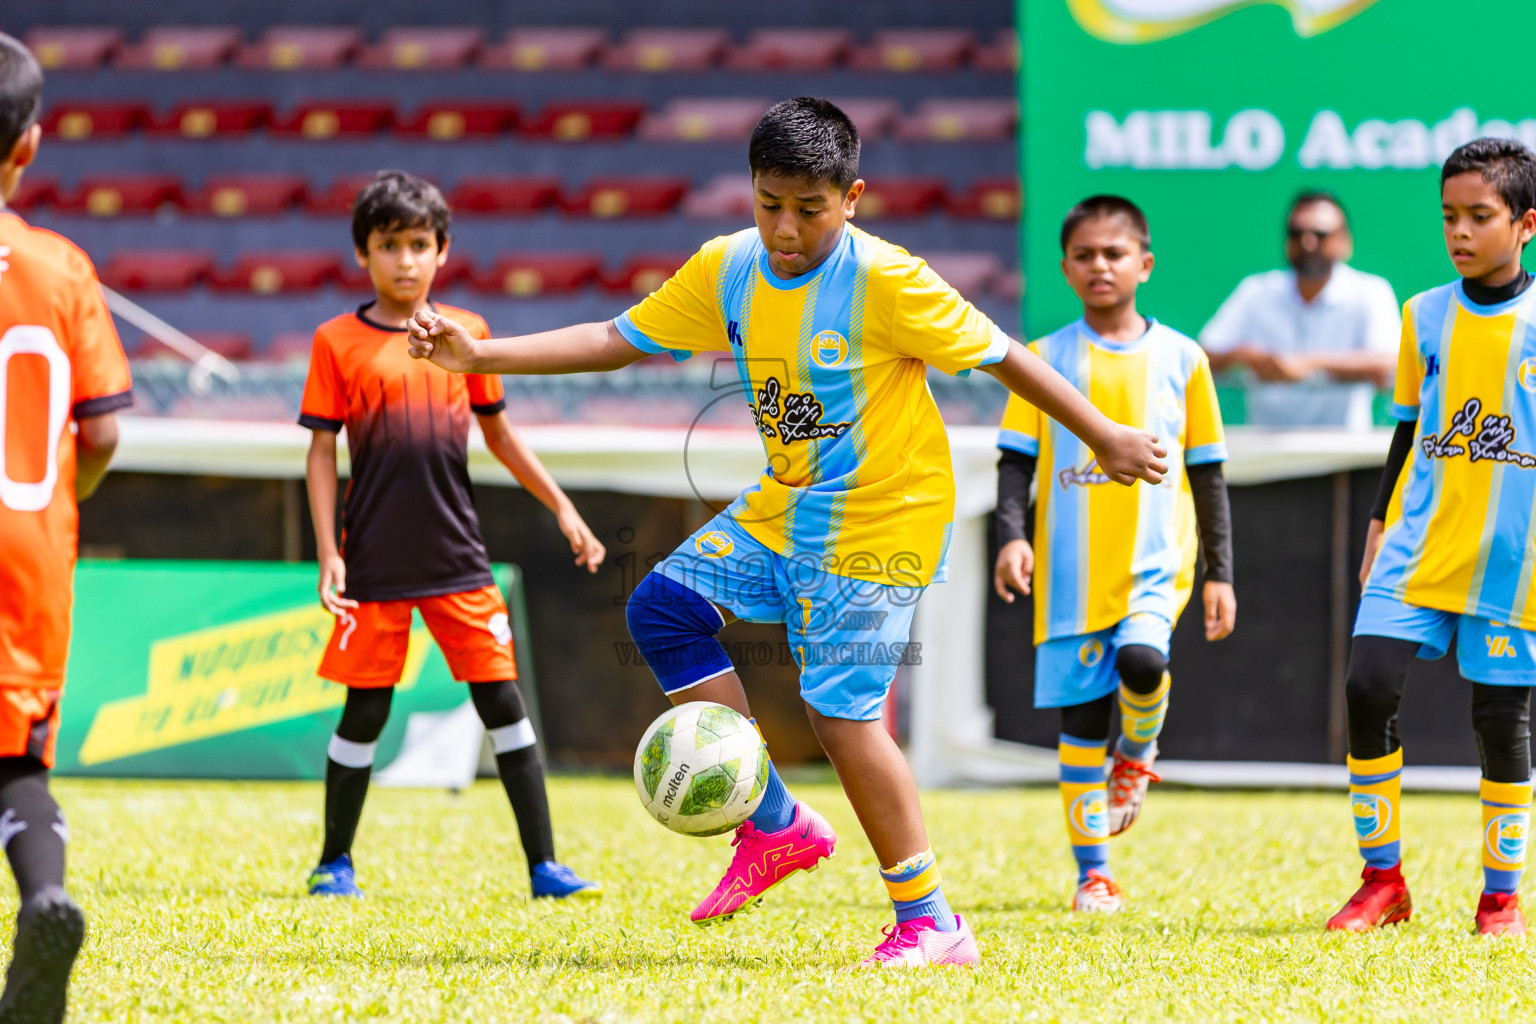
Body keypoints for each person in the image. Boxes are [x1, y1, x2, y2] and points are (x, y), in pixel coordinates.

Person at [405, 97, 1167, 968]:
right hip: (788, 504)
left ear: (853, 199)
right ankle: (774, 825)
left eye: (810, 208)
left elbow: (1005, 356)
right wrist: (476, 355)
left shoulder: (889, 280)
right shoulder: (729, 265)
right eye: (771, 203)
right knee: (662, 607)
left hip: (886, 515)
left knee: (838, 715)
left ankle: (933, 923)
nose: (787, 227)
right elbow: (616, 338)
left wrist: (1103, 433)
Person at [299, 171, 605, 901]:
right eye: (388, 245)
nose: (404, 260)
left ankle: (544, 868)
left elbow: (499, 436)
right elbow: (318, 452)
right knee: (364, 711)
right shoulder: (335, 342)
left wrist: (563, 506)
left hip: (459, 560)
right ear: (362, 255)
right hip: (372, 562)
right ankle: (333, 864)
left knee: (502, 702)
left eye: (418, 244)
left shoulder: (468, 337)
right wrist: (328, 552)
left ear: (442, 251)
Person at [993, 196, 1236, 913]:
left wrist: (1220, 571)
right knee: (1076, 725)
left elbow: (1209, 472)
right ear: (1065, 268)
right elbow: (1014, 462)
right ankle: (1091, 874)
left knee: (1143, 661)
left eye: (1115, 253)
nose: (1101, 266)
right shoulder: (1042, 360)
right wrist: (1011, 534)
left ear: (1144, 264)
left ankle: (1136, 754)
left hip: (1157, 561)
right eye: (1086, 255)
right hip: (1070, 571)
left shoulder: (1183, 358)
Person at [1332, 137, 1536, 938]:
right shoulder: (1422, 313)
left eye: (1479, 216)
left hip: (1512, 560)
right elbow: (1408, 431)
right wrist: (1379, 521)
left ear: (1525, 225)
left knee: (1500, 719)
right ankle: (1383, 882)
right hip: (1416, 544)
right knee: (1367, 686)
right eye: (1449, 216)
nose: (1459, 231)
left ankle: (1500, 898)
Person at [0, 33, 131, 1021]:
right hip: (26, 549)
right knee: (19, 763)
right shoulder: (60, 267)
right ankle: (42, 894)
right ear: (29, 145)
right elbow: (104, 431)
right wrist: (56, 490)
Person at [1200, 192, 1400, 430]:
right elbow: (1200, 357)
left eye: (1320, 235)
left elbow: (1391, 362)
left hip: (1346, 453)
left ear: (1345, 242)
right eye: (1297, 234)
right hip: (1267, 454)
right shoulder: (1256, 292)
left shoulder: (1370, 292)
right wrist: (1246, 356)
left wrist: (1308, 364)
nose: (1308, 243)